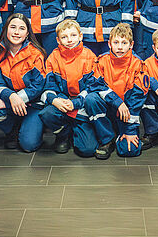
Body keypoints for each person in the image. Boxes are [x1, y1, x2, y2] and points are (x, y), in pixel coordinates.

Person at [39, 19, 116, 158]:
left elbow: (92, 86)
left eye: (73, 35)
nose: (69, 40)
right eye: (64, 37)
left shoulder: (89, 56)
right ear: (58, 40)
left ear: (80, 36)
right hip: (62, 103)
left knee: (87, 150)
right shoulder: (53, 57)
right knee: (47, 113)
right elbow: (49, 85)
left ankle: (81, 129)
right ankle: (63, 134)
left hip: (81, 106)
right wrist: (54, 100)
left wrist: (75, 102)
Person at [86, 23, 148, 157]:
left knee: (129, 151)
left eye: (124, 43)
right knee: (91, 99)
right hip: (108, 108)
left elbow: (137, 99)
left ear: (131, 45)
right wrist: (117, 102)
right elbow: (95, 85)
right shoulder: (101, 61)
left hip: (127, 112)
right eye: (116, 42)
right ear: (109, 44)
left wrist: (130, 131)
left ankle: (121, 132)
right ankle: (107, 139)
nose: (120, 47)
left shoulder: (138, 64)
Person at [0, 13, 47, 152]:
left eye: (21, 28)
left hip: (33, 105)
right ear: (6, 30)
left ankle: (33, 125)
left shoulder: (36, 54)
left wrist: (15, 99)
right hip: (11, 102)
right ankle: (12, 130)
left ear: (27, 34)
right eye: (13, 27)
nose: (16, 32)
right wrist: (11, 97)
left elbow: (38, 86)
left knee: (28, 145)